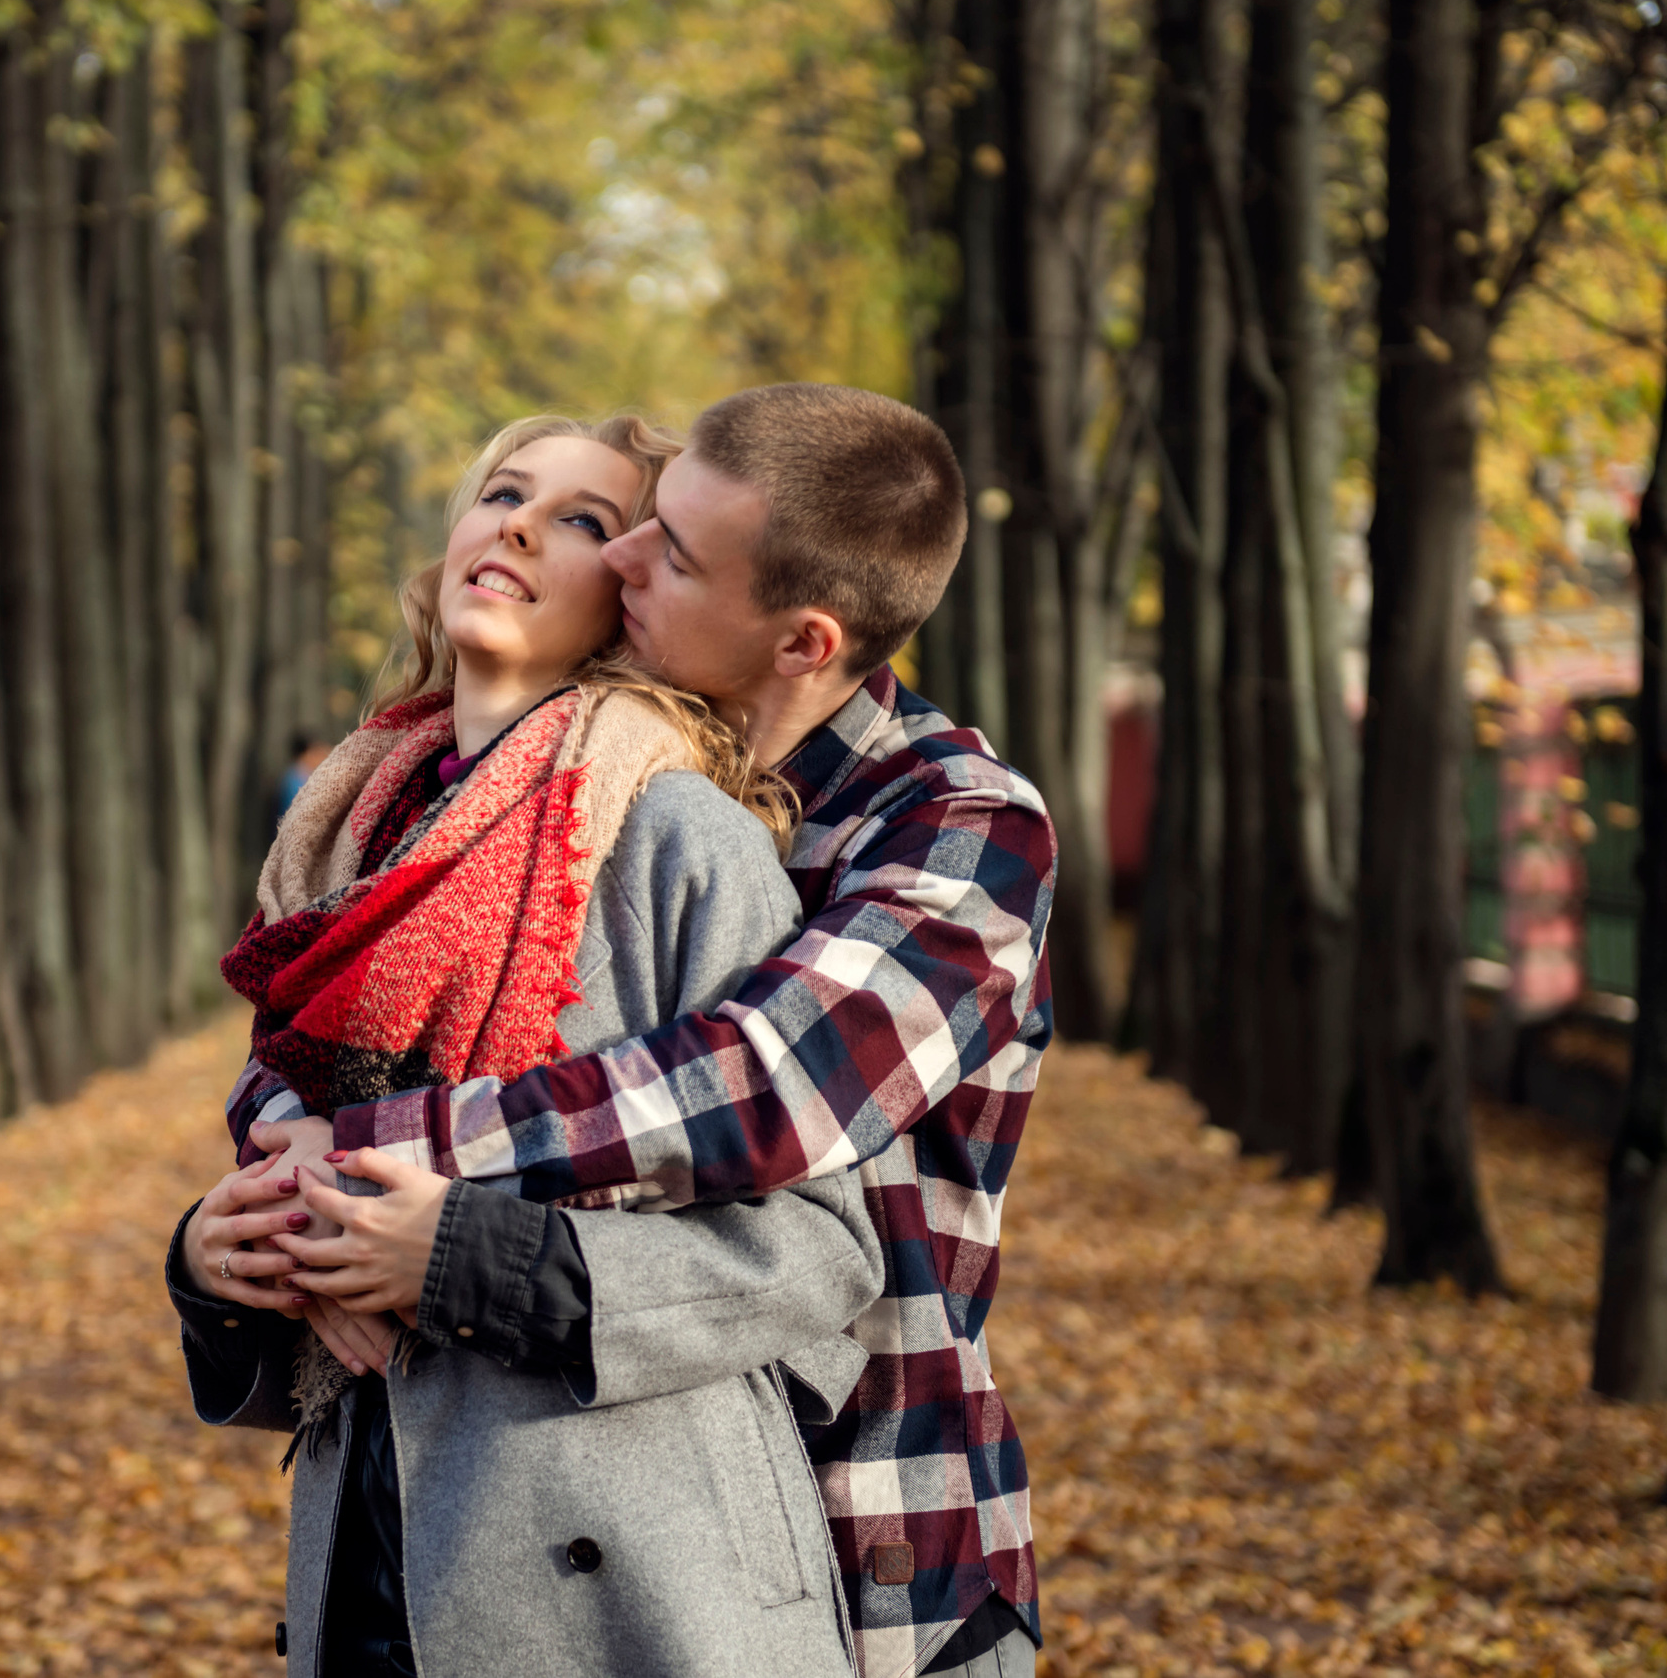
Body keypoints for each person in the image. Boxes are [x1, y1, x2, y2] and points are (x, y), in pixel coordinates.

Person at [229, 384, 1058, 1678]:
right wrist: (275, 1194)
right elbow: (304, 1052)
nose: (620, 562)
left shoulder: (947, 822)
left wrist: (395, 1172)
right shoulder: (534, 798)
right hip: (566, 1503)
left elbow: (767, 1081)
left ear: (801, 639)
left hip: (879, 1521)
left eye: (661, 547)